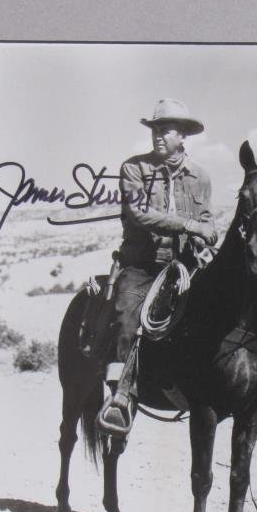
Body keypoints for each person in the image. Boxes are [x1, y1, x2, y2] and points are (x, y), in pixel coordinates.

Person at [96, 99, 218, 435]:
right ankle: (120, 398)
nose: (158, 136)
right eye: (155, 130)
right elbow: (140, 215)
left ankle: (247, 385)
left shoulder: (201, 178)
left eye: (165, 130)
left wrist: (205, 236)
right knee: (125, 316)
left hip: (185, 266)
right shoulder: (134, 169)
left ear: (183, 136)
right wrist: (191, 227)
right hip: (143, 265)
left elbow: (206, 218)